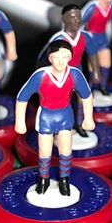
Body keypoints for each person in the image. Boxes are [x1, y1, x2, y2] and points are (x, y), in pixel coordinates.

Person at [15, 40, 95, 197]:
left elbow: (86, 96)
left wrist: (88, 118)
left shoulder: (75, 74)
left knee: (65, 150)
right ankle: (43, 179)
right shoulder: (40, 75)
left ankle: (64, 179)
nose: (60, 61)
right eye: (56, 57)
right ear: (49, 57)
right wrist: (20, 121)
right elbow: (22, 97)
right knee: (45, 152)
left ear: (70, 57)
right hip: (46, 117)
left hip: (65, 116)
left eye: (65, 57)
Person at [39, 4, 101, 137]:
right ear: (64, 19)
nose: (77, 20)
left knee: (83, 98)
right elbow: (43, 59)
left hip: (77, 72)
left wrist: (96, 71)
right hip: (61, 74)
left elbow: (93, 54)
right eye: (73, 17)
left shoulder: (85, 37)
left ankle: (79, 125)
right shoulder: (58, 39)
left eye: (79, 17)